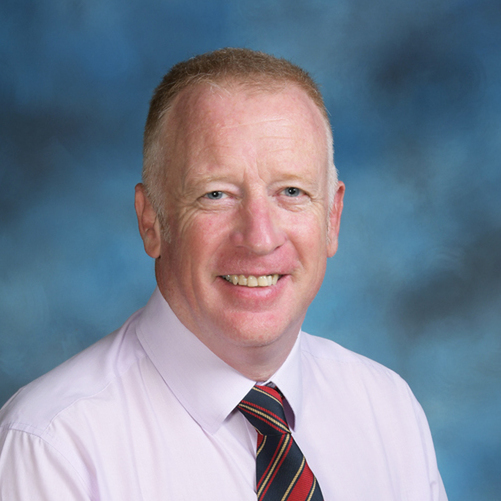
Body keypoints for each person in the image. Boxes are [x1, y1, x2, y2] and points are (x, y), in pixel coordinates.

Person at [0, 48, 447, 500]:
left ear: (332, 217)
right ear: (151, 221)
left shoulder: (388, 411)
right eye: (216, 194)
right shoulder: (53, 447)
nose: (259, 238)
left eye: (292, 192)